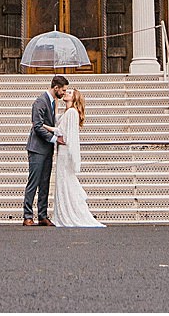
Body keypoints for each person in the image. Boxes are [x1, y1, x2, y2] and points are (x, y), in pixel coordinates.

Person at [48, 87, 104, 228]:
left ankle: (69, 213)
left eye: (70, 93)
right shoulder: (68, 112)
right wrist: (55, 101)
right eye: (67, 91)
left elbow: (60, 131)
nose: (66, 93)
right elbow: (56, 120)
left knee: (65, 180)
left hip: (65, 153)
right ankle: (62, 212)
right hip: (62, 152)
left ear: (74, 99)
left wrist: (42, 126)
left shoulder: (72, 112)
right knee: (62, 181)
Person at [24, 75, 68, 226]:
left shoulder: (53, 102)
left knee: (45, 183)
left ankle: (42, 215)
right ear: (56, 88)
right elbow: (37, 126)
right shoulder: (40, 102)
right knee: (34, 182)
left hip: (47, 150)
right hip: (37, 149)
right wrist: (55, 139)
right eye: (63, 90)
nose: (64, 93)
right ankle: (27, 215)